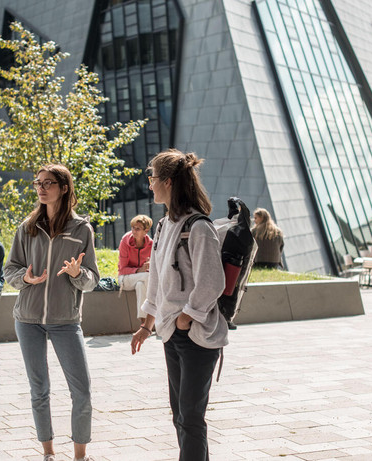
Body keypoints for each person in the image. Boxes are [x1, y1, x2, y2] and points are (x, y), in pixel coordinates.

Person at [130, 149, 227, 461]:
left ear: (168, 182)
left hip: (196, 335)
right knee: (180, 416)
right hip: (171, 333)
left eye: (153, 178)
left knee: (191, 417)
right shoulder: (163, 226)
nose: (150, 184)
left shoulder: (198, 227)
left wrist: (187, 317)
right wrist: (147, 325)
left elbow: (212, 282)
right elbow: (157, 280)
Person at [3, 163, 99, 461]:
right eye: (38, 183)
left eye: (48, 183)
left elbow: (93, 278)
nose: (41, 188)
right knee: (39, 390)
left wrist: (76, 273)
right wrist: (25, 279)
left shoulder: (81, 229)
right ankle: (48, 453)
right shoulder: (27, 227)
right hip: (28, 319)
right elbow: (10, 268)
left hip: (65, 320)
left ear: (64, 187)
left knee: (81, 391)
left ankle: (80, 455)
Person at [118, 214, 153, 324]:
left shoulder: (151, 244)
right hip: (125, 279)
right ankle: (155, 315)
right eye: (133, 227)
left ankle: (143, 323)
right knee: (147, 277)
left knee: (140, 285)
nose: (134, 231)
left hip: (141, 279)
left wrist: (150, 266)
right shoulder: (125, 241)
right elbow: (122, 269)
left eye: (138, 229)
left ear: (146, 231)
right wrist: (139, 270)